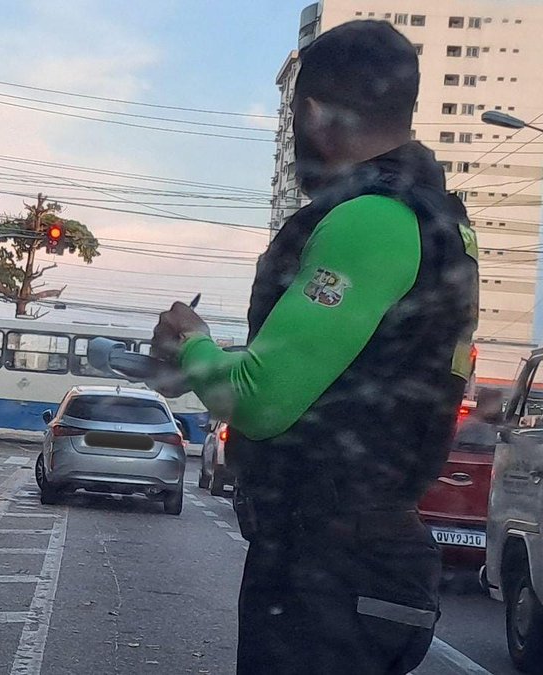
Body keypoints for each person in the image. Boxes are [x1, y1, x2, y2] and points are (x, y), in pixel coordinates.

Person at [149, 21, 479, 675]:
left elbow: (263, 398)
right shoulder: (434, 219)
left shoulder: (370, 219)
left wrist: (193, 345)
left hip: (331, 574)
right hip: (368, 561)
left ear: (314, 113)